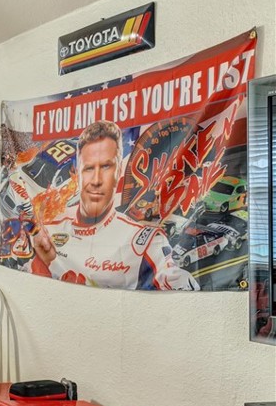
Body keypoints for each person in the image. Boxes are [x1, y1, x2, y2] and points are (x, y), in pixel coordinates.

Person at [30, 121, 199, 290]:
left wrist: (182, 283)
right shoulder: (50, 227)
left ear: (118, 171)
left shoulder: (143, 241)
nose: (96, 180)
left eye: (105, 167)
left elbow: (173, 279)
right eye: (88, 168)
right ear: (76, 173)